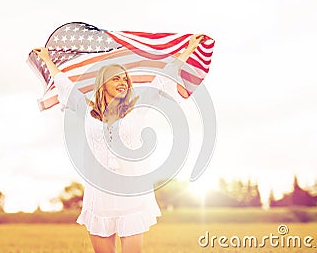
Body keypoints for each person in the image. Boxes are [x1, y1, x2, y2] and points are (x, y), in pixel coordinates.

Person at [33, 34, 205, 253]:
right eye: (116, 79)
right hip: (99, 197)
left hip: (130, 196)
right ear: (103, 84)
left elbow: (163, 78)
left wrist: (187, 50)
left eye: (125, 79)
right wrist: (48, 60)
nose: (123, 82)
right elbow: (64, 85)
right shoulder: (87, 112)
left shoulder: (137, 109)